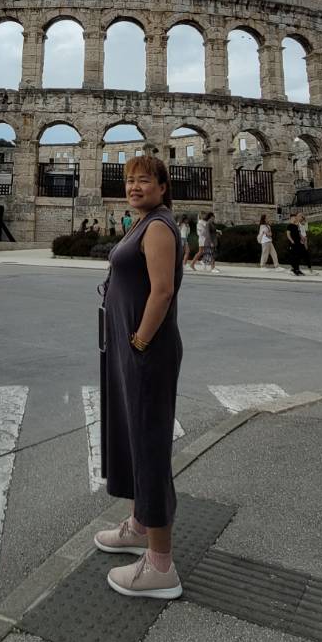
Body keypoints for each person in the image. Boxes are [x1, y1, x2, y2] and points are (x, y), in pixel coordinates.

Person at [95, 153, 184, 601]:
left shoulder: (158, 227)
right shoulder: (142, 222)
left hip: (146, 353)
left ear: (163, 187)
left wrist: (140, 342)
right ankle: (138, 526)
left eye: (144, 180)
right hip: (132, 353)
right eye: (129, 181)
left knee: (148, 447)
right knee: (133, 438)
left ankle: (160, 566)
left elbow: (163, 289)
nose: (134, 187)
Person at [285, 211, 305, 276]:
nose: (295, 219)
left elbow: (299, 233)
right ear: (291, 219)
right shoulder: (289, 226)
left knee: (298, 256)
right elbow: (288, 234)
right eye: (293, 218)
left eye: (295, 218)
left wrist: (302, 238)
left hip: (298, 243)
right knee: (294, 256)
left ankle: (297, 269)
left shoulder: (296, 226)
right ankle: (294, 269)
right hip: (293, 243)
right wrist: (292, 241)